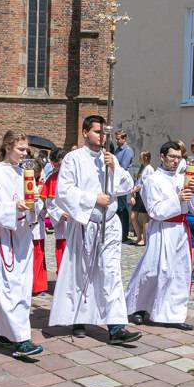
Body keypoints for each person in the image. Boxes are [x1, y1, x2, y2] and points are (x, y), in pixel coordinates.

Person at [49, 116, 141, 343]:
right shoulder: (73, 159)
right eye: (98, 132)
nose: (102, 137)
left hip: (109, 224)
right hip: (85, 224)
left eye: (105, 133)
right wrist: (93, 199)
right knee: (82, 272)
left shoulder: (108, 158)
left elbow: (126, 185)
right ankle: (79, 319)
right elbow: (64, 191)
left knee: (111, 273)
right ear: (85, 132)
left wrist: (114, 168)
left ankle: (116, 327)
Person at [126, 141, 194, 330]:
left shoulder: (183, 178)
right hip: (161, 229)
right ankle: (138, 307)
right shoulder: (152, 180)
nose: (175, 161)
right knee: (154, 270)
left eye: (178, 157)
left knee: (179, 272)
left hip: (180, 231)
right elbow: (154, 210)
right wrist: (177, 199)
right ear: (162, 157)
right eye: (172, 156)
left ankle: (173, 314)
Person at [0, 130, 44, 358]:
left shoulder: (24, 173)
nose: (25, 153)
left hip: (23, 236)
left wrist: (35, 202)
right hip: (4, 237)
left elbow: (34, 206)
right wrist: (13, 207)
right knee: (8, 287)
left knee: (22, 287)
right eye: (21, 149)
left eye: (26, 149)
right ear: (8, 147)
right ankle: (21, 339)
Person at [41, 148, 67, 273]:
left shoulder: (77, 176)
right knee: (62, 249)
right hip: (63, 223)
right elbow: (49, 203)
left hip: (78, 222)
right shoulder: (52, 179)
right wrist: (60, 214)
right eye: (57, 165)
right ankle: (62, 279)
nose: (60, 167)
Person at [30, 159, 49, 296]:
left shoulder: (42, 186)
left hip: (38, 224)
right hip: (28, 225)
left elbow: (45, 206)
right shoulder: (25, 185)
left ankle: (38, 286)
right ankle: (31, 285)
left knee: (39, 256)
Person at [114, 130, 134, 242]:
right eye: (116, 138)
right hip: (117, 182)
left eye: (118, 139)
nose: (116, 141)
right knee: (118, 208)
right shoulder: (117, 150)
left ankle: (124, 233)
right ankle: (119, 232)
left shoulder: (127, 151)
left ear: (124, 138)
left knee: (123, 208)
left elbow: (123, 167)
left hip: (123, 183)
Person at [131, 151, 153, 246]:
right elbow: (137, 182)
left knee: (145, 218)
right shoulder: (142, 168)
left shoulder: (149, 169)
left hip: (144, 195)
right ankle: (139, 236)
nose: (139, 159)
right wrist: (133, 193)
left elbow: (146, 183)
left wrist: (135, 189)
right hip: (138, 194)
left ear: (146, 158)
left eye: (141, 157)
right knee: (133, 217)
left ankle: (144, 239)